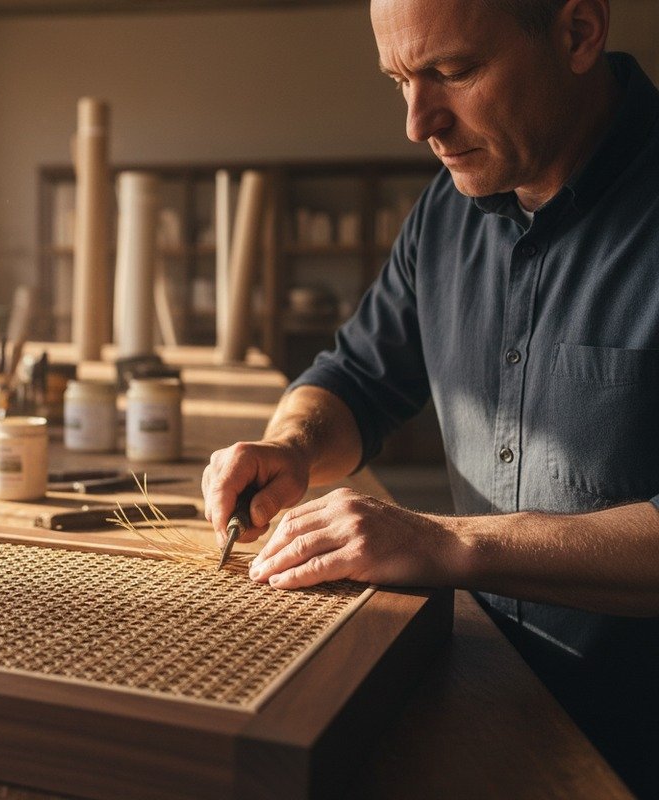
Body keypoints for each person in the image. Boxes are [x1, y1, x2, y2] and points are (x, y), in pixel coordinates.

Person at [201, 0, 659, 794]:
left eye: (454, 71)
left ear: (578, 33)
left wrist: (448, 544)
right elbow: (354, 380)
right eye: (400, 80)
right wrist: (292, 446)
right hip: (483, 693)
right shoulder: (446, 214)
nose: (419, 124)